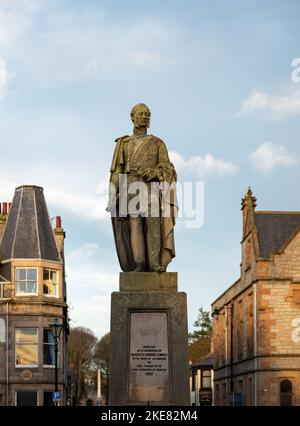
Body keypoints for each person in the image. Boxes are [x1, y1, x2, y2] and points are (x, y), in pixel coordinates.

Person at [107, 103, 177, 272]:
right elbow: (117, 172)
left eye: (147, 114)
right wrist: (112, 194)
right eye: (140, 114)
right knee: (135, 225)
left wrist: (154, 172)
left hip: (151, 188)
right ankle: (139, 264)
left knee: (153, 224)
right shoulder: (123, 144)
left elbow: (169, 168)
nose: (144, 117)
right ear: (132, 117)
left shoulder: (157, 143)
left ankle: (154, 264)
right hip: (130, 187)